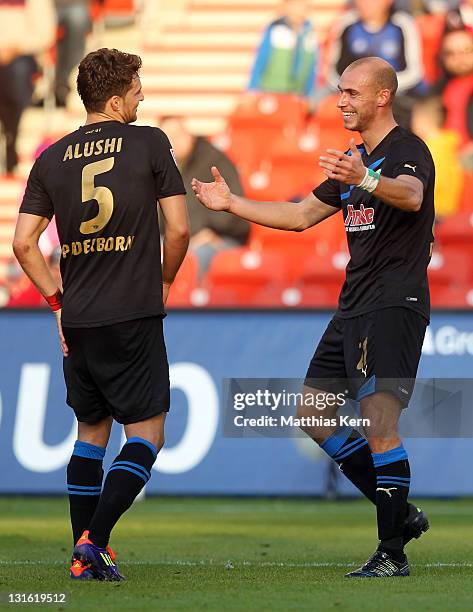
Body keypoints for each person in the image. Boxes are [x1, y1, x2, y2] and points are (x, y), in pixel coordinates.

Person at [192, 56, 434, 578]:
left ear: (382, 97)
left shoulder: (406, 150)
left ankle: (391, 552)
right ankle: (401, 513)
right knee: (314, 414)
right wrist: (232, 204)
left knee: (379, 424)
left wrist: (367, 180)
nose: (341, 101)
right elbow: (301, 215)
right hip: (353, 307)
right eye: (339, 92)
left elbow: (412, 197)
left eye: (351, 93)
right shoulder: (356, 158)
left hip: (393, 305)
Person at [12, 48, 189, 581]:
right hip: (133, 312)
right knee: (147, 434)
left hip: (79, 319)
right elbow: (178, 230)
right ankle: (96, 541)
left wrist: (56, 302)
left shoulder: (50, 157)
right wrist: (163, 282)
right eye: (137, 89)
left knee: (91, 432)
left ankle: (80, 557)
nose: (143, 97)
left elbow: (23, 245)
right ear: (115, 99)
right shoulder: (151, 142)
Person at [159, 116, 249, 277]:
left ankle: (194, 300)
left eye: (179, 134)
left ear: (190, 135)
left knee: (199, 255)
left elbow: (232, 206)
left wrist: (204, 232)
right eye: (168, 137)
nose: (175, 141)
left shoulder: (215, 160)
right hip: (179, 238)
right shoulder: (160, 167)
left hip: (219, 237)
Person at [327, 0, 424, 126]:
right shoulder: (346, 23)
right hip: (353, 96)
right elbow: (332, 72)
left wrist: (380, 89)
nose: (367, 4)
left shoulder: (403, 24)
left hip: (396, 96)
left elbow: (414, 73)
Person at [0, 0, 56, 173]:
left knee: (17, 74)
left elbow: (45, 33)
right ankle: (10, 135)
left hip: (22, 56)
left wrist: (15, 48)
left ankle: (11, 134)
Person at [247, 0, 318, 98]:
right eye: (295, 5)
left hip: (297, 95)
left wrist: (310, 94)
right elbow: (260, 61)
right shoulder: (275, 30)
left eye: (303, 5)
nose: (299, 10)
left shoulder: (310, 35)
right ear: (286, 7)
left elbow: (312, 68)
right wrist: (252, 89)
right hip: (271, 92)